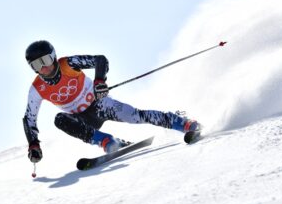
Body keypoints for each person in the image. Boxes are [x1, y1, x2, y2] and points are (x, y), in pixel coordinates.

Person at [23, 40, 200, 163]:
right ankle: (107, 142)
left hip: (100, 105)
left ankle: (183, 123)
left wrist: (99, 81)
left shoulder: (68, 64)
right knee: (59, 119)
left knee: (136, 116)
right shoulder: (36, 89)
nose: (43, 68)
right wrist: (34, 144)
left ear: (53, 57)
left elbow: (100, 60)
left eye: (45, 60)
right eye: (36, 65)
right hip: (83, 120)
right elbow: (29, 119)